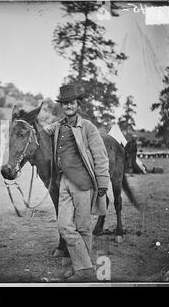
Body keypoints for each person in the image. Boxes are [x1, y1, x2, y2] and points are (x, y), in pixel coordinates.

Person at [45, 83, 110, 282]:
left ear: (78, 104)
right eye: (64, 103)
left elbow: (101, 156)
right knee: (64, 226)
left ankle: (81, 268)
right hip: (63, 181)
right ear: (62, 106)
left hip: (83, 183)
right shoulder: (58, 126)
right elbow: (43, 130)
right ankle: (86, 268)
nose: (68, 106)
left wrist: (103, 183)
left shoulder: (88, 127)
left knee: (83, 228)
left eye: (71, 102)